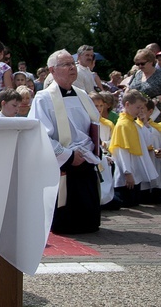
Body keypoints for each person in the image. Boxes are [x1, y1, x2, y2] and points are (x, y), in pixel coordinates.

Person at [28, 49, 101, 234]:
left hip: (86, 156)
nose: (72, 68)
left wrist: (87, 149)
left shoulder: (83, 95)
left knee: (89, 222)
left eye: (73, 64)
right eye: (66, 64)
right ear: (52, 70)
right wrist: (68, 155)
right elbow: (41, 134)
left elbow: (92, 126)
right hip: (63, 162)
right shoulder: (43, 98)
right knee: (66, 223)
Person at [108, 89, 158, 207]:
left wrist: (144, 123)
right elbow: (122, 151)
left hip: (135, 174)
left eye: (142, 108)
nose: (140, 111)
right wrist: (127, 172)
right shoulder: (123, 125)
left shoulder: (133, 123)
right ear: (127, 105)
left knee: (135, 202)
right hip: (127, 175)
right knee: (128, 203)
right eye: (138, 107)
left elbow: (148, 141)